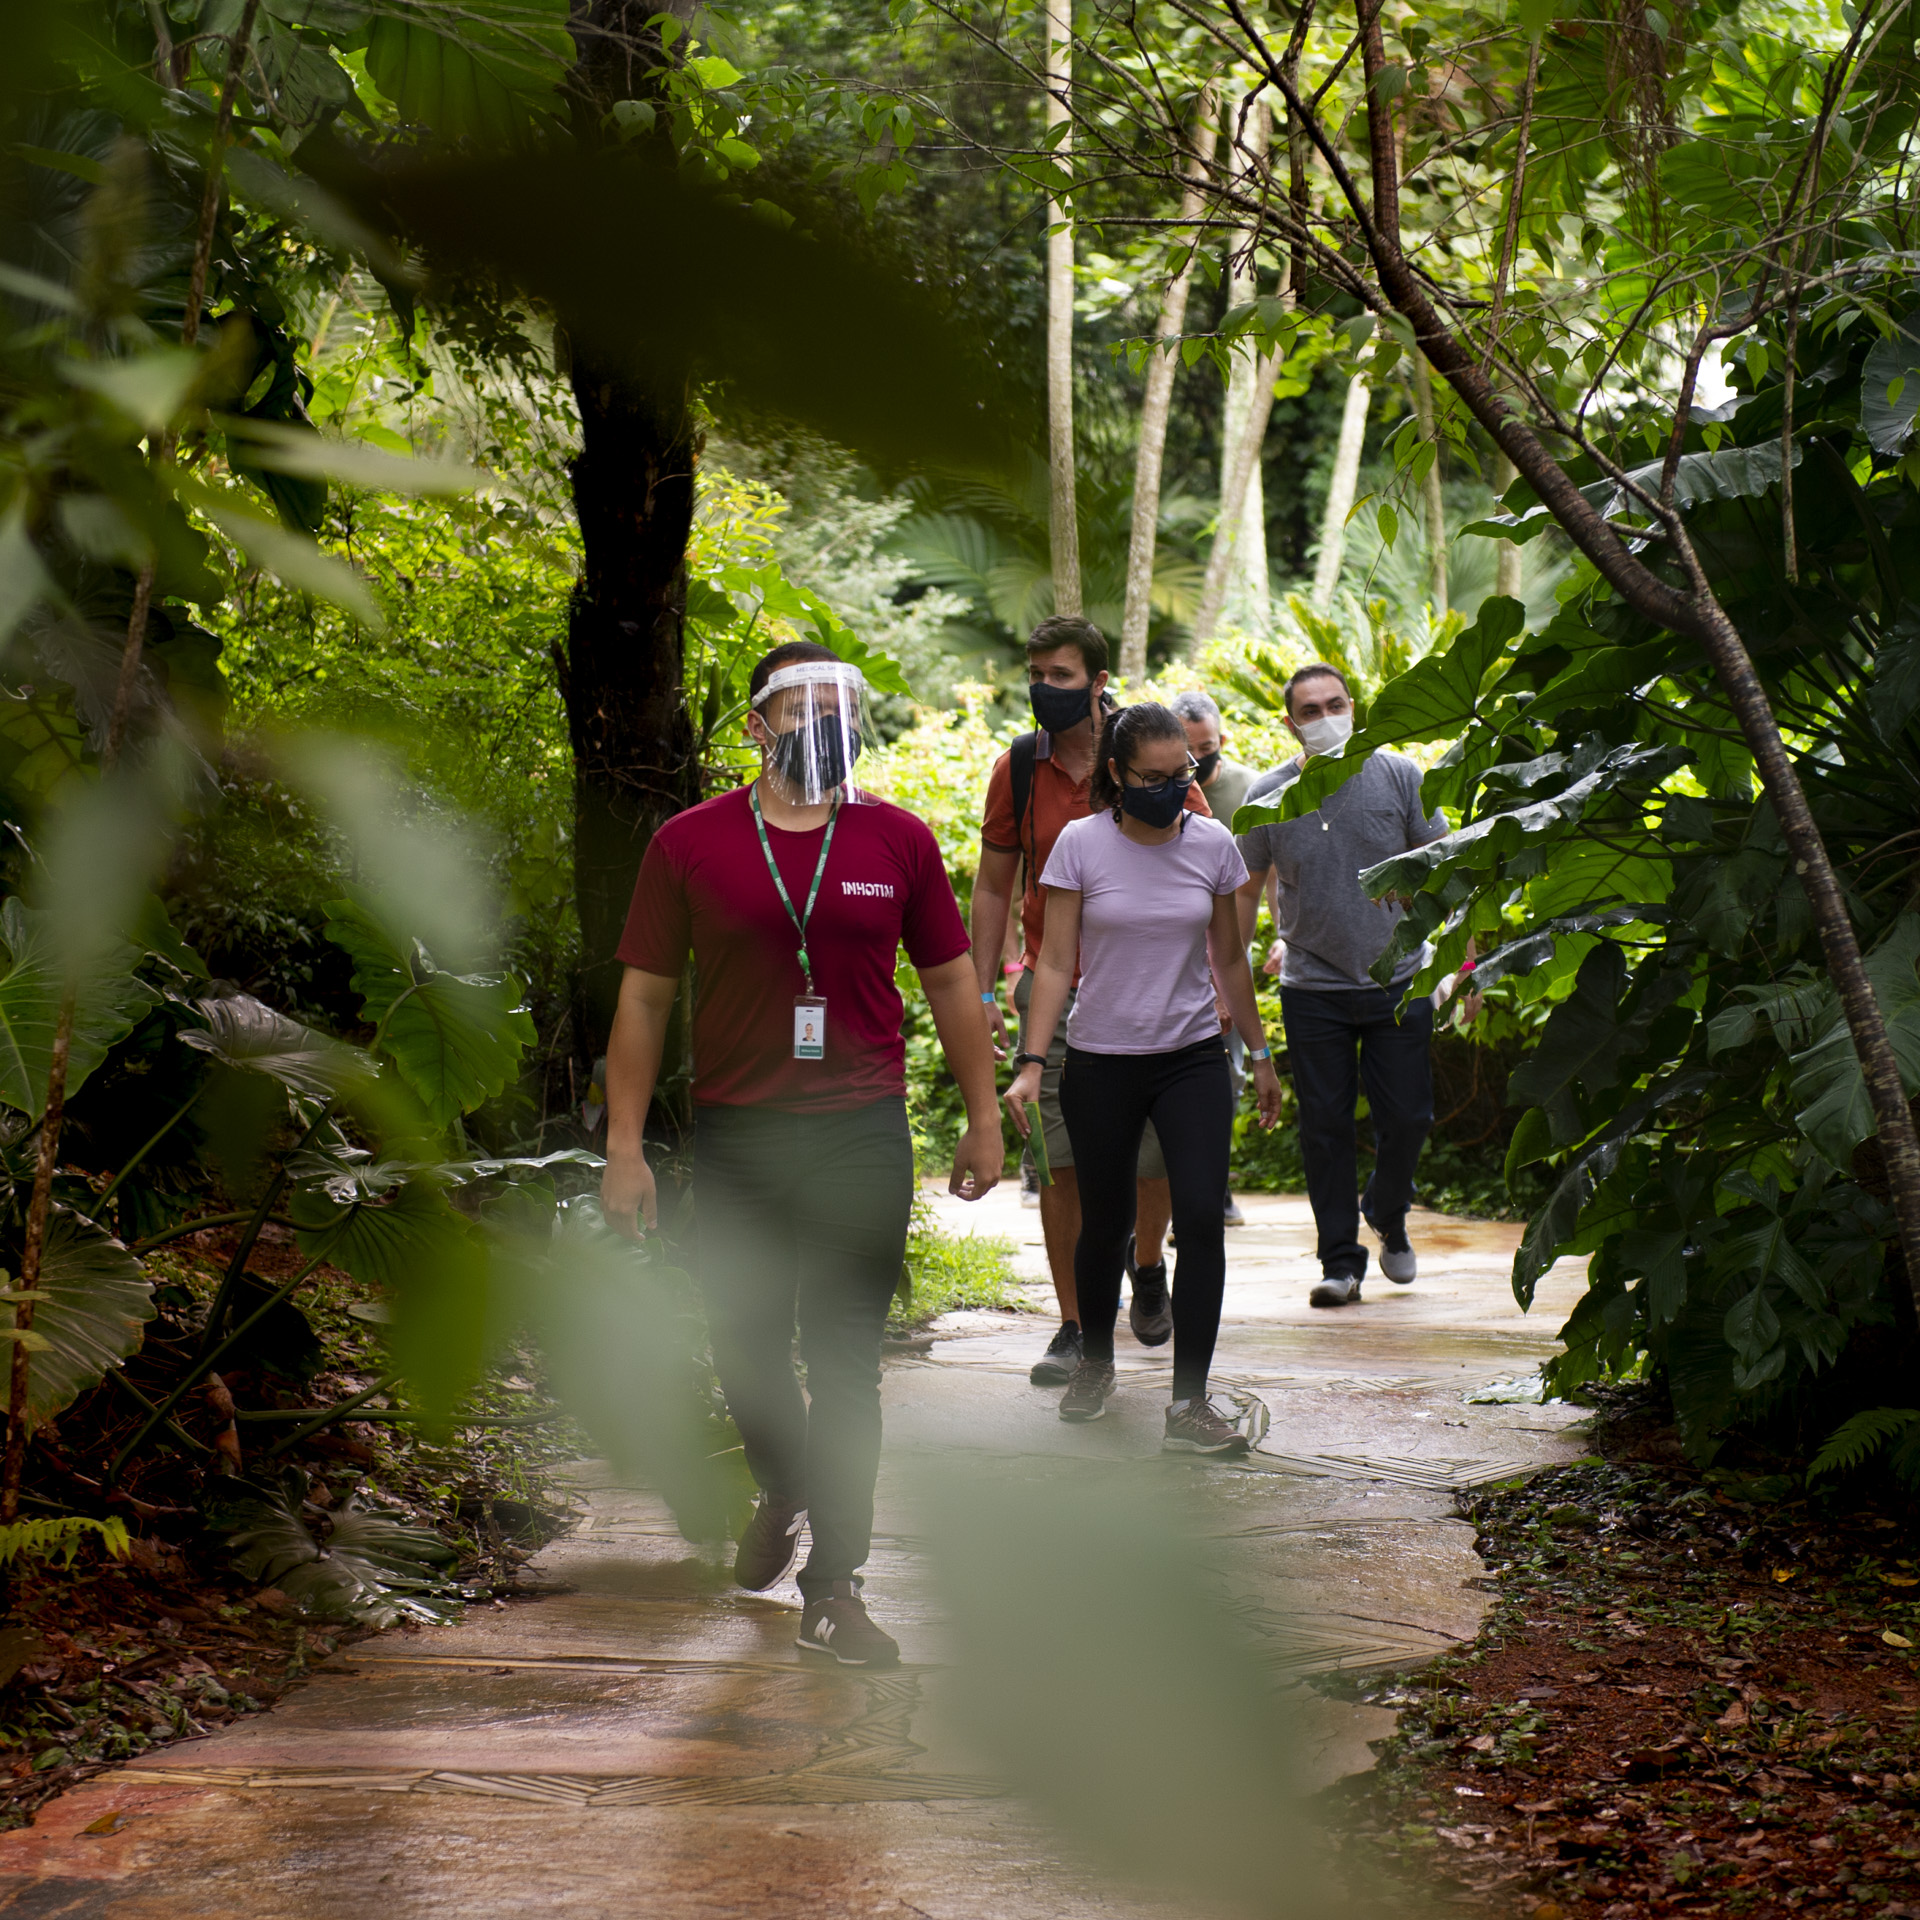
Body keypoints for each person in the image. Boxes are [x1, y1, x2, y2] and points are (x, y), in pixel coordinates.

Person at [600, 640, 1003, 1669]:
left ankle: (837, 1586)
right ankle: (784, 1483)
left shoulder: (896, 840)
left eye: (841, 704)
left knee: (847, 1365)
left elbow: (953, 984)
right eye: (802, 705)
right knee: (745, 1344)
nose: (825, 721)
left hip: (860, 1134)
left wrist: (985, 1114)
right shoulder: (690, 842)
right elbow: (645, 997)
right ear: (757, 725)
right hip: (738, 1134)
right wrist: (625, 1145)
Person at [1006, 701, 1282, 1453]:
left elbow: (1229, 960)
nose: (1169, 789)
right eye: (1152, 777)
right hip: (1100, 1060)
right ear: (1118, 776)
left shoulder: (1214, 846)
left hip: (1191, 1057)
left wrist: (1258, 1056)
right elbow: (1056, 961)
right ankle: (1096, 1362)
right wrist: (1033, 1063)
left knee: (1199, 1221)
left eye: (1181, 775)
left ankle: (1188, 1403)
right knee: (1105, 1223)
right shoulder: (1079, 845)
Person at [971, 616, 1212, 1386]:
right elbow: (992, 883)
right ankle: (1076, 1326)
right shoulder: (1017, 767)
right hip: (1054, 986)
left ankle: (1146, 1267)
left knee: (1150, 1166)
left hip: (1149, 995)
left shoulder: (1152, 755)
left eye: (1061, 675)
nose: (1043, 687)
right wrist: (984, 983)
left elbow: (1202, 864)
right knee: (1062, 1168)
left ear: (1098, 682)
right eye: (1035, 672)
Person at [1234, 662, 1468, 1310]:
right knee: (1325, 1127)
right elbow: (1242, 895)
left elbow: (1447, 869)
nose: (1325, 717)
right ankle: (1340, 1261)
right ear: (1290, 724)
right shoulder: (1269, 796)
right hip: (1313, 987)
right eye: (1309, 710)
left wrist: (1466, 963)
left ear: (1355, 707)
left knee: (1409, 1117)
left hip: (1399, 977)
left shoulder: (1398, 776)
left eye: (1334, 704)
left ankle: (1386, 1211)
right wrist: (1222, 976)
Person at [1170, 688, 1259, 1228]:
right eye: (1187, 748)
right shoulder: (1150, 788)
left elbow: (1257, 885)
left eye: (1205, 747)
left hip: (1222, 955)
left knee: (1222, 1078)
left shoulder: (1247, 791)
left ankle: (1214, 1188)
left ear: (1221, 740)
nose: (1198, 759)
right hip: (1168, 957)